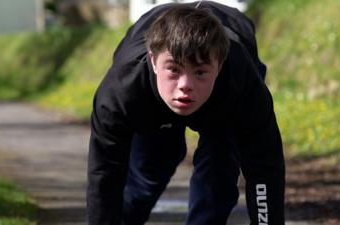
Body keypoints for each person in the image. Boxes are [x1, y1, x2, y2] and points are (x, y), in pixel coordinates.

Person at [87, 1, 285, 225]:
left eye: (199, 71)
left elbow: (264, 167)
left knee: (218, 178)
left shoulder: (242, 84)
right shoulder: (122, 91)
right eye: (174, 69)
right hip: (151, 101)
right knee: (147, 175)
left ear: (219, 66)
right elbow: (105, 175)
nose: (185, 85)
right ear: (152, 60)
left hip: (222, 99)